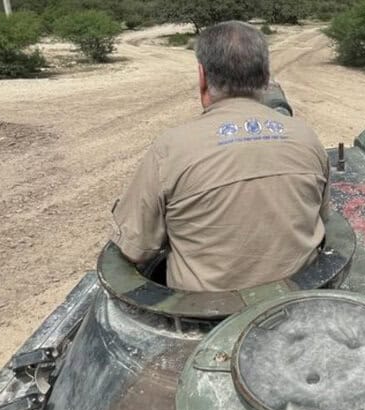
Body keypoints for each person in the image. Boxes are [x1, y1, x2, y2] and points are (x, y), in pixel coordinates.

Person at [110, 21, 329, 292]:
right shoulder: (306, 137)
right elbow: (322, 219)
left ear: (202, 77)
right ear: (266, 77)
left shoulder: (170, 148)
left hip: (207, 319)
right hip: (296, 302)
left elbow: (136, 250)